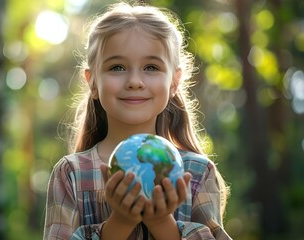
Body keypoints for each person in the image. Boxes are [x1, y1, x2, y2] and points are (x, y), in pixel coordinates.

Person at [44, 2, 231, 239]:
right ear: (92, 82)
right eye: (117, 67)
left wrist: (161, 222)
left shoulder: (197, 173)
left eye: (151, 67)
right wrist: (121, 221)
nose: (134, 81)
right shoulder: (71, 174)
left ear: (174, 82)